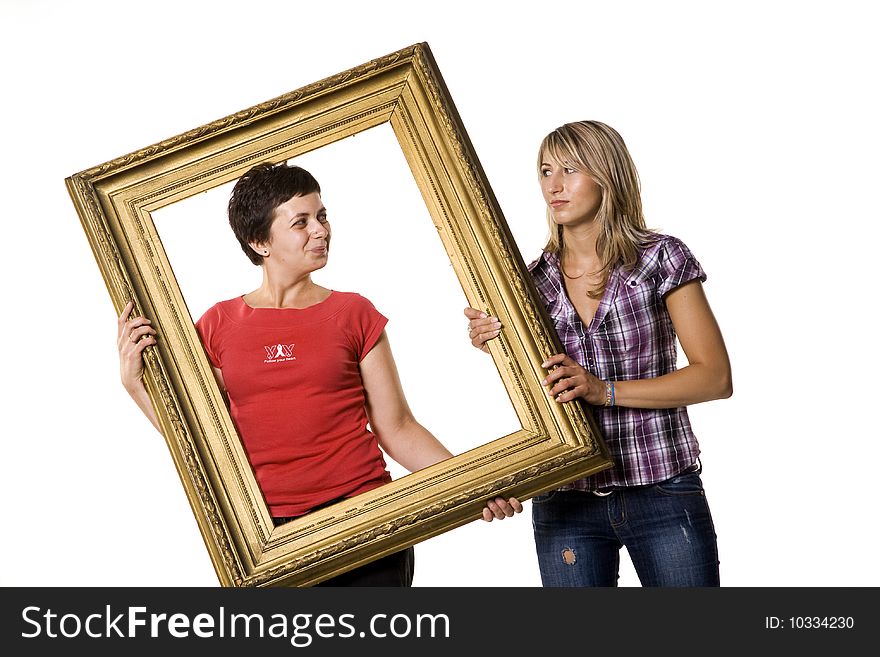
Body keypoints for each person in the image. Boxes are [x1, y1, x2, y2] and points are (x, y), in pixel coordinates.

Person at [118, 162, 522, 587]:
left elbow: (397, 427)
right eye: (301, 222)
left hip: (368, 521)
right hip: (270, 538)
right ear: (260, 241)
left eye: (322, 216)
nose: (321, 231)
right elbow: (201, 440)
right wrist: (134, 384)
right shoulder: (218, 325)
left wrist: (473, 485)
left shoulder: (354, 313)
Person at [468, 120, 732, 587]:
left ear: (606, 176)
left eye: (570, 169)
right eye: (546, 171)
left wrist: (602, 390)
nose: (554, 184)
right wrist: (498, 347)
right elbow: (541, 400)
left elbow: (714, 378)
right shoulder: (525, 286)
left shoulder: (660, 259)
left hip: (664, 490)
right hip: (566, 501)